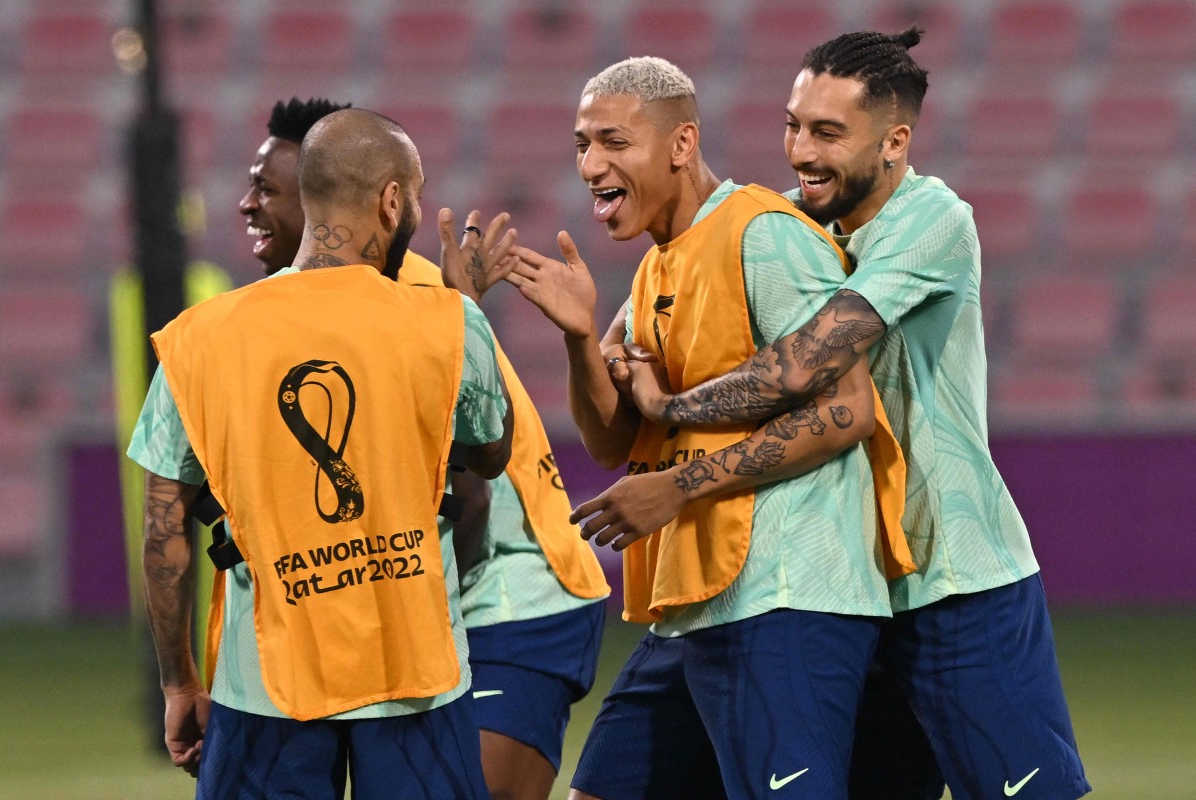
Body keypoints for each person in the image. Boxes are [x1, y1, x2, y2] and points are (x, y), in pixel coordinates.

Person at [616, 31, 1091, 800]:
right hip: (843, 587)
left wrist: (671, 405)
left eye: (828, 132)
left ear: (896, 141)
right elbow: (640, 325)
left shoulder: (930, 220)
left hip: (955, 575)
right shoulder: (792, 228)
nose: (801, 150)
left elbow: (807, 363)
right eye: (793, 124)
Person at [506, 56, 912, 800]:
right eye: (581, 144)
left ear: (681, 144)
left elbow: (847, 408)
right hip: (699, 600)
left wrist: (680, 487)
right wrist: (577, 336)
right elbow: (614, 441)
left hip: (788, 597)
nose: (591, 164)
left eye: (613, 142)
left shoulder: (762, 237)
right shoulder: (657, 268)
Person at [129, 108, 511, 799]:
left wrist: (178, 678)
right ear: (392, 200)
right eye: (416, 197)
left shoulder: (199, 339)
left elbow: (165, 529)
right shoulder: (449, 323)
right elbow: (487, 456)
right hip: (416, 678)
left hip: (264, 685)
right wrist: (467, 318)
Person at [239, 97, 612, 800]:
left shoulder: (396, 297)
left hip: (512, 598)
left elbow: (465, 496)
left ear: (326, 193)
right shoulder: (309, 305)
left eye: (267, 190)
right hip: (428, 611)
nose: (246, 205)